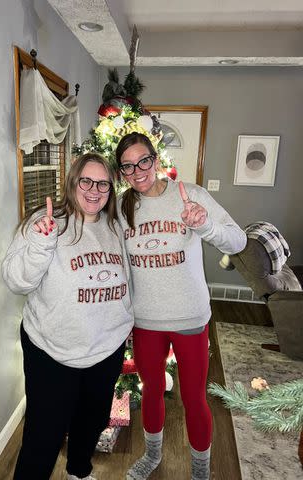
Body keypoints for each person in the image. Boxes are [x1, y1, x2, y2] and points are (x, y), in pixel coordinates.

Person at [115, 132, 247, 480]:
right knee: (153, 391)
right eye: (127, 166)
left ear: (156, 160)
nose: (138, 170)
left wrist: (204, 225)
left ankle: (201, 471)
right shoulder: (120, 206)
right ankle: (153, 455)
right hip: (145, 321)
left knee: (193, 397)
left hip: (190, 317)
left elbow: (238, 239)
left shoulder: (191, 195)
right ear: (122, 172)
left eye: (143, 160)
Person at [2, 153, 134, 480]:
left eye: (103, 183)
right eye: (85, 181)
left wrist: (127, 323)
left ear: (111, 188)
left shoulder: (116, 226)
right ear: (72, 182)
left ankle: (79, 471)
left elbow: (129, 281)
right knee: (42, 437)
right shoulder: (44, 224)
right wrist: (41, 245)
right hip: (52, 350)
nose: (94, 190)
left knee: (91, 421)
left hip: (105, 348)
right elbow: (17, 281)